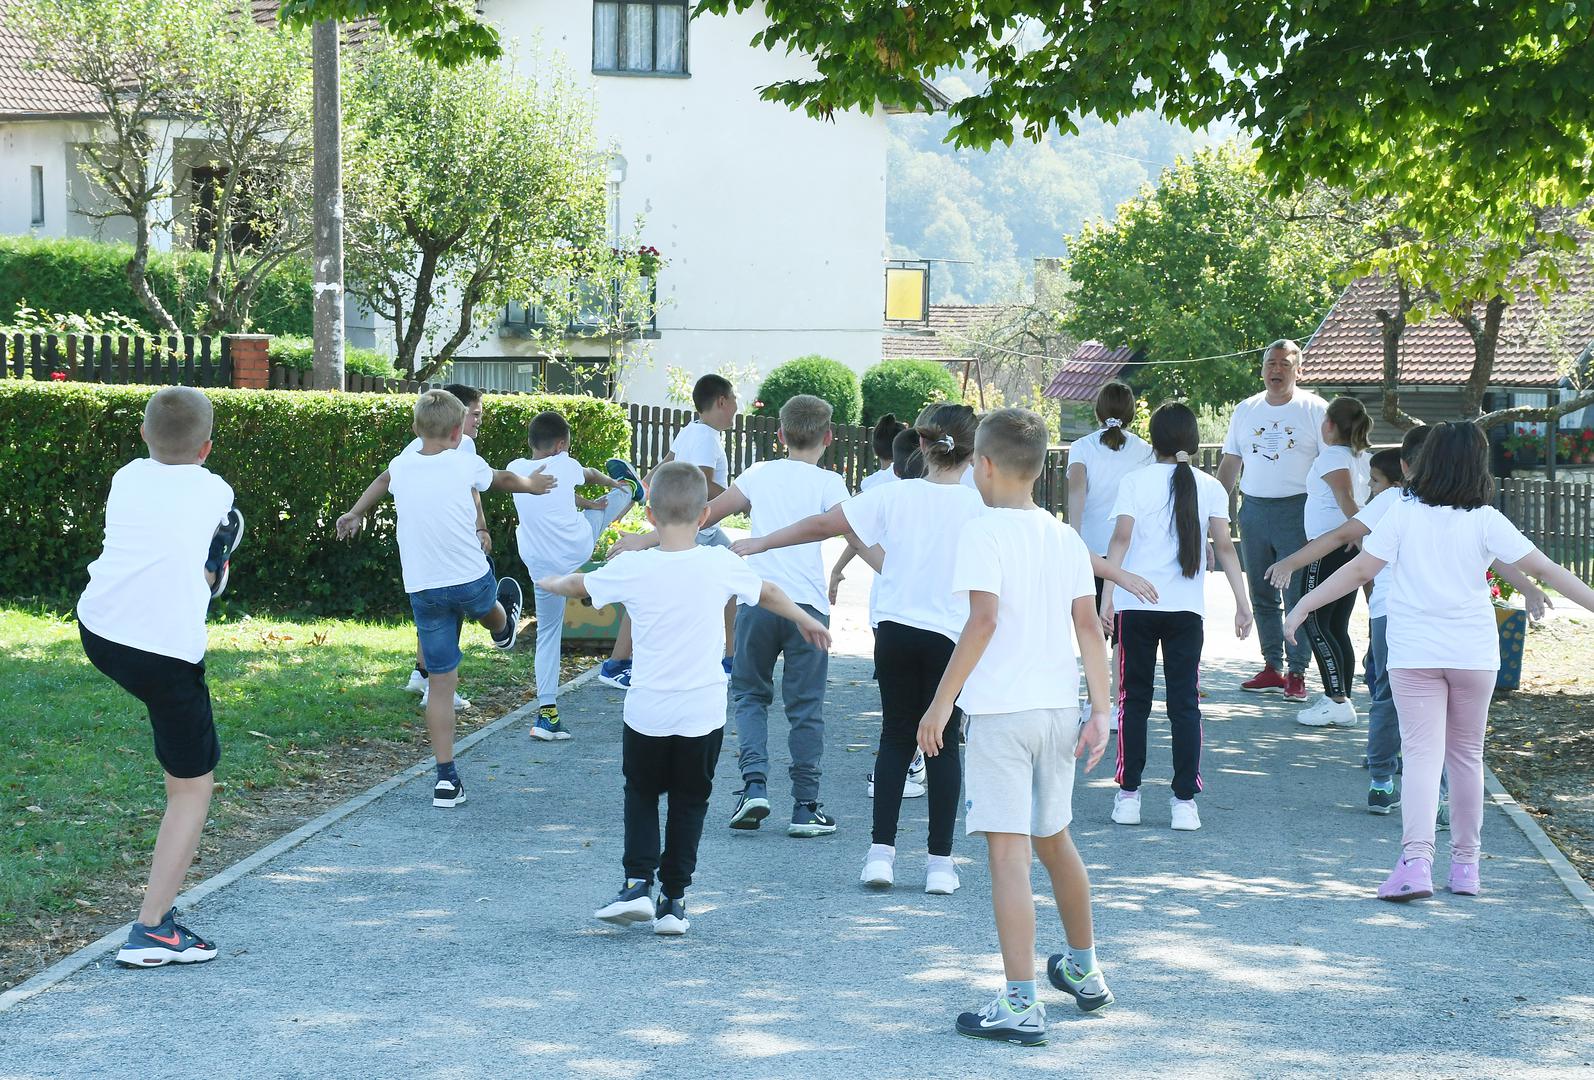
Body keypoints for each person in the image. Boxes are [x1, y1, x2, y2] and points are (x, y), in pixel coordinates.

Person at [1284, 421, 1594, 901]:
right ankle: (1467, 868)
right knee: (1466, 759)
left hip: (1415, 653)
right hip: (1473, 653)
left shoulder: (1403, 512)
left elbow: (1360, 568)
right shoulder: (1487, 518)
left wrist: (1305, 605)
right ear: (1478, 464)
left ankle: (1415, 865)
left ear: (1427, 462)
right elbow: (1549, 570)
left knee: (1424, 760)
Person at [539, 462, 832, 936]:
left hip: (648, 711)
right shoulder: (720, 564)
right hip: (702, 713)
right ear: (703, 517)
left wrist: (549, 581)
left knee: (641, 795)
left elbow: (579, 585)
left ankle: (636, 882)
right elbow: (770, 591)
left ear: (649, 516)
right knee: (689, 802)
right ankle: (673, 900)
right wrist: (807, 620)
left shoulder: (633, 566)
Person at [914, 407, 1114, 1046]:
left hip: (1001, 713)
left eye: (974, 458)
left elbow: (983, 623)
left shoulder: (983, 531)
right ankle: (1083, 968)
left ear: (988, 465)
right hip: (1058, 709)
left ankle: (1022, 1003)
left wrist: (941, 702)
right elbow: (1089, 627)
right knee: (1055, 842)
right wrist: (1102, 709)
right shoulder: (1063, 538)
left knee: (1008, 855)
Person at [733, 403, 987, 893]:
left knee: (895, 737)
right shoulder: (981, 509)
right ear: (974, 455)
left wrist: (762, 542)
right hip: (950, 639)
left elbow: (821, 524)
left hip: (894, 631)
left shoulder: (894, 496)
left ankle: (880, 857)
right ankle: (939, 864)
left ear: (922, 445)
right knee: (944, 746)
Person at [1268, 426, 1545, 815]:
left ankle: (1424, 793)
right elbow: (1354, 555)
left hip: (1417, 625)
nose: (1374, 488)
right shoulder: (1403, 503)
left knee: (1411, 711)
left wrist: (1528, 586)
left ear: (1408, 463)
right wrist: (1295, 574)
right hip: (1397, 616)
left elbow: (1497, 554)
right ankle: (1391, 781)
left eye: (1377, 482)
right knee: (1400, 705)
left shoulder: (1448, 509)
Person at [611, 395, 849, 837]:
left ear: (778, 435)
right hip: (806, 608)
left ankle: (753, 786)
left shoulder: (759, 473)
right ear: (829, 438)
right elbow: (843, 527)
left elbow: (701, 517)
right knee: (806, 708)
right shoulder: (831, 483)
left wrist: (643, 541)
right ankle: (805, 805)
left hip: (756, 600)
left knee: (749, 695)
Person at [77, 387, 241, 968]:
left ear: (144, 436)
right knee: (192, 787)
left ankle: (156, 926)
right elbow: (212, 568)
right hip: (165, 653)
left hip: (98, 629)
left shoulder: (127, 477)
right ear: (207, 448)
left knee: (170, 732)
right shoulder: (218, 490)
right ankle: (153, 930)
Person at [336, 390, 556, 808]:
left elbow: (382, 481)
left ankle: (445, 779)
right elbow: (504, 479)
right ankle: (503, 626)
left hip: (424, 590)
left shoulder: (401, 465)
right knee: (488, 599)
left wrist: (356, 511)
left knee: (440, 686)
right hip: (469, 580)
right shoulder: (463, 461)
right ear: (458, 433)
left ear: (416, 429)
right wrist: (534, 484)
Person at [1099, 403, 1253, 832]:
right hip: (1187, 609)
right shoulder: (1210, 486)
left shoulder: (1135, 481)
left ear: (1154, 439)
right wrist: (1244, 603)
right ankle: (1184, 802)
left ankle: (1128, 795)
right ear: (1190, 439)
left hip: (1137, 606)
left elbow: (1121, 539)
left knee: (1134, 701)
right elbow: (1225, 547)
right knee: (1186, 705)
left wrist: (1107, 595)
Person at [343, 383, 490, 712]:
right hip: (446, 554)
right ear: (457, 418)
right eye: (475, 415)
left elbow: (388, 479)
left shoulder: (417, 448)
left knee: (434, 611)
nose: (479, 421)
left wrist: (355, 512)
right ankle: (436, 686)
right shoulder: (461, 446)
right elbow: (475, 487)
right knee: (452, 612)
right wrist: (479, 527)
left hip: (422, 558)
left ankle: (421, 674)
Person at [504, 409, 643, 741]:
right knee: (606, 505)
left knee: (548, 634)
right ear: (561, 444)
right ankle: (631, 489)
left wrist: (582, 502)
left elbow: (553, 491)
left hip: (540, 565)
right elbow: (592, 473)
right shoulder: (566, 464)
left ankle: (546, 714)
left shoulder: (515, 469)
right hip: (573, 548)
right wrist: (610, 482)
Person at [599, 373, 739, 690]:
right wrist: (740, 494)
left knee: (730, 585)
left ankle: (730, 659)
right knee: (726, 583)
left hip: (698, 525)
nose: (735, 409)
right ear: (721, 401)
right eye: (734, 402)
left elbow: (665, 464)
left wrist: (641, 488)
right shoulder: (705, 438)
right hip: (698, 528)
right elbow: (701, 485)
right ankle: (618, 662)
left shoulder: (691, 431)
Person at [1217, 339, 1329, 702]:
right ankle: (1272, 666)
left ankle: (1298, 671)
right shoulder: (1246, 409)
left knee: (1298, 592)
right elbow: (1231, 461)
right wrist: (1216, 506)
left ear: (1299, 370)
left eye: (1284, 363)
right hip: (1255, 509)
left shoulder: (1315, 409)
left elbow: (1333, 463)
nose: (1276, 370)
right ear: (1262, 368)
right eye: (1270, 363)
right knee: (1262, 591)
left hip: (1299, 510)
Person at [1066, 380, 1155, 727]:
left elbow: (1076, 492)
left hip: (1090, 550)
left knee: (1090, 627)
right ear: (1132, 414)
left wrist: (1074, 538)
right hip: (1130, 549)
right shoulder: (1145, 450)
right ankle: (1118, 702)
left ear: (1097, 411)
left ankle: (1093, 701)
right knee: (1122, 630)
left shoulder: (1081, 447)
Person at [1294, 396, 1372, 726]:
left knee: (1312, 619)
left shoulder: (1334, 457)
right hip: (1342, 548)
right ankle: (1338, 697)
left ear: (1330, 425)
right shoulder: (1360, 457)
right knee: (1334, 625)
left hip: (1328, 549)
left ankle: (1337, 699)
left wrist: (1359, 532)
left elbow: (1345, 498)